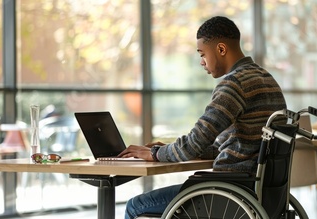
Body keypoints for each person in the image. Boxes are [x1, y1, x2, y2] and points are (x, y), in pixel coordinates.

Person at [118, 16, 287, 218]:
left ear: (221, 49)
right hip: (260, 192)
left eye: (202, 53)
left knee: (135, 206)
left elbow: (194, 143)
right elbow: (237, 145)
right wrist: (166, 150)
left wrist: (155, 153)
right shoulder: (267, 80)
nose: (201, 62)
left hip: (226, 193)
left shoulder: (234, 85)